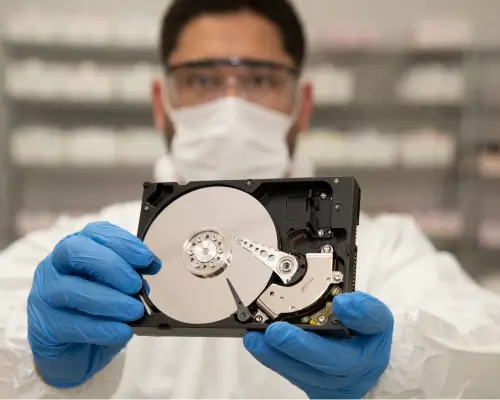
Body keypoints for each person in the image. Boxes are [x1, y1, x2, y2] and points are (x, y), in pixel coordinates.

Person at [1, 1, 500, 399]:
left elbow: (485, 359)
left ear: (301, 106)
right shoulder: (82, 255)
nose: (231, 103)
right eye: (202, 80)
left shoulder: (386, 249)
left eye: (259, 79)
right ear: (162, 104)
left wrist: (398, 371)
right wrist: (42, 366)